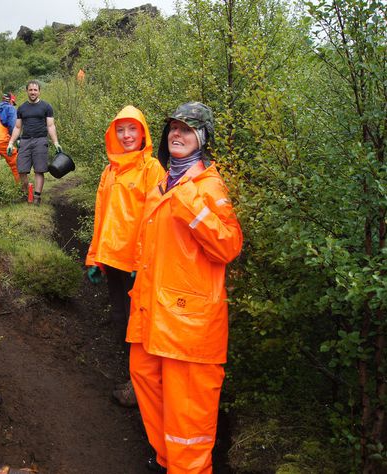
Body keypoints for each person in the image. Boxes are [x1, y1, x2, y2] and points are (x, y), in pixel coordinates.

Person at [128, 102, 243, 473]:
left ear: (203, 138)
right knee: (147, 386)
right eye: (173, 128)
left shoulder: (209, 186)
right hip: (150, 318)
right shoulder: (161, 183)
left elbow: (228, 245)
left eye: (187, 129)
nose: (177, 135)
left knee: (188, 419)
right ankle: (167, 463)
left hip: (190, 329)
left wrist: (193, 206)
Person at [85, 105, 165, 407]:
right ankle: (135, 380)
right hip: (114, 261)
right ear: (113, 134)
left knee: (141, 327)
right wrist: (94, 257)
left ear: (143, 131)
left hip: (139, 265)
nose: (127, 135)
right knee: (121, 320)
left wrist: (143, 260)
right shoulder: (110, 170)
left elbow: (154, 218)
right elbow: (101, 216)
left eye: (132, 129)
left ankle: (142, 386)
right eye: (121, 130)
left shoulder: (152, 168)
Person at [6, 80, 61, 205]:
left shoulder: (46, 107)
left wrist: (56, 142)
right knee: (22, 170)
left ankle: (36, 197)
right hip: (25, 141)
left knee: (39, 170)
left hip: (41, 140)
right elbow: (17, 127)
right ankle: (26, 193)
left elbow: (51, 126)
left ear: (39, 92)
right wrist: (11, 142)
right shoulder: (21, 108)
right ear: (27, 91)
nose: (33, 92)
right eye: (30, 90)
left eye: (35, 90)